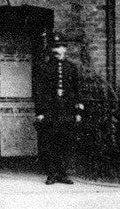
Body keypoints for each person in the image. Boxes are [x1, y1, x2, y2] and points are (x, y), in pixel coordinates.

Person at [34, 33, 83, 185]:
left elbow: (77, 91)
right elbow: (39, 91)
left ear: (65, 49)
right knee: (50, 143)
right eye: (55, 47)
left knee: (65, 143)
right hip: (50, 112)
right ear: (51, 50)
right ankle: (51, 174)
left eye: (61, 47)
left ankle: (62, 174)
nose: (58, 50)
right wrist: (40, 112)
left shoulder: (71, 68)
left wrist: (78, 112)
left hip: (67, 111)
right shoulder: (45, 67)